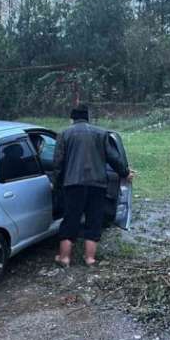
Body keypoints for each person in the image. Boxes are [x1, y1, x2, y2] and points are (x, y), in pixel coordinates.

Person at [52, 104, 132, 267]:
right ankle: (90, 259)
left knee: (70, 220)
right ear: (88, 118)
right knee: (94, 220)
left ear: (72, 119)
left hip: (73, 184)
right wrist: (125, 173)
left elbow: (58, 162)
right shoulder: (101, 134)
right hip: (98, 185)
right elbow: (114, 158)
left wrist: (56, 183)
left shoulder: (65, 134)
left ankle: (64, 258)